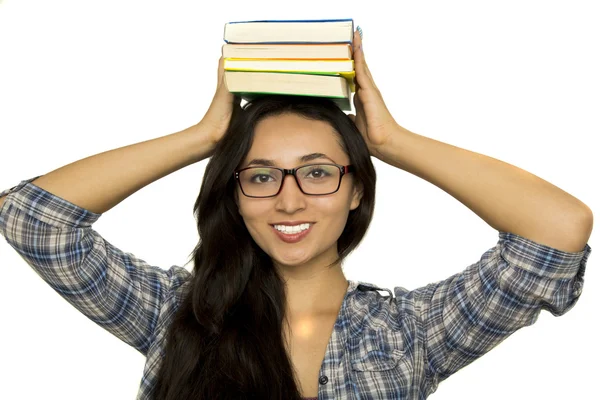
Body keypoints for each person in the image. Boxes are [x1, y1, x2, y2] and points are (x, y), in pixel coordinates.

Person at [0, 28, 592, 400]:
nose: (289, 200)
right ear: (234, 194)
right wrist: (205, 135)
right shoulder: (176, 312)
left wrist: (389, 140)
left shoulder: (413, 332)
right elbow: (35, 220)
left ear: (356, 190)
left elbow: (557, 232)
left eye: (317, 172)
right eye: (260, 176)